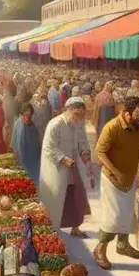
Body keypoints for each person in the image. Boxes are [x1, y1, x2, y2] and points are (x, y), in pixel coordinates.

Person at [94, 96, 139, 270]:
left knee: (127, 214)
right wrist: (116, 173)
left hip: (129, 178)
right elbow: (100, 152)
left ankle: (123, 245)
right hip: (112, 179)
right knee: (113, 217)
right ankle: (100, 249)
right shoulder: (112, 127)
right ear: (126, 113)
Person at [41, 97, 93, 240]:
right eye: (77, 114)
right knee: (56, 200)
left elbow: (83, 142)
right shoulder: (55, 124)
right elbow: (48, 148)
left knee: (75, 197)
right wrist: (63, 159)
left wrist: (86, 157)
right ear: (67, 110)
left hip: (73, 167)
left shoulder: (79, 123)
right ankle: (55, 231)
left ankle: (75, 228)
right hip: (56, 169)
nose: (80, 118)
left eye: (82, 115)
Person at [12, 105, 42, 185]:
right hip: (21, 159)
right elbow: (15, 143)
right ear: (21, 115)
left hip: (33, 159)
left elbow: (37, 143)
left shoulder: (32, 126)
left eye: (29, 115)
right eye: (25, 115)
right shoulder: (18, 124)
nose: (27, 118)